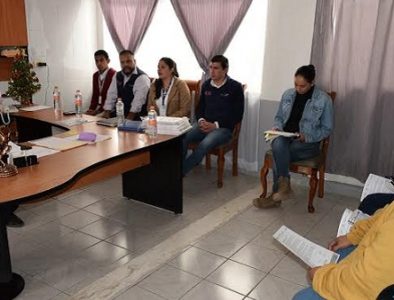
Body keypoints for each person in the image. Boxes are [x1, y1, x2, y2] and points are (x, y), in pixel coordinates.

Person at [253, 64, 333, 209]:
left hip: (307, 144)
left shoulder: (324, 100)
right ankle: (284, 188)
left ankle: (275, 197)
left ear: (311, 83)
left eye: (302, 86)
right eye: (295, 84)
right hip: (285, 138)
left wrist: (307, 136)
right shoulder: (288, 95)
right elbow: (278, 117)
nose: (298, 89)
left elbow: (326, 129)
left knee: (279, 152)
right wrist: (277, 128)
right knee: (278, 144)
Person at [293, 201, 394, 300]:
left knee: (301, 298)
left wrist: (320, 277)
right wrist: (352, 236)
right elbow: (381, 217)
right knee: (336, 254)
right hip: (374, 275)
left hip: (373, 289)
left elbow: (365, 281)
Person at [182, 55, 244, 176]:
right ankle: (176, 168)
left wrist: (215, 125)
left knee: (204, 145)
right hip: (204, 125)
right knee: (183, 137)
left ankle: (180, 172)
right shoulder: (206, 85)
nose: (212, 71)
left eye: (216, 68)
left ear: (225, 70)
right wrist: (200, 120)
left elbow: (237, 115)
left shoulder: (235, 87)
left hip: (223, 129)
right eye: (210, 67)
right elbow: (200, 108)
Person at [103, 50, 150, 120]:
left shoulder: (142, 78)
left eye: (128, 61)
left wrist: (126, 122)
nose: (125, 65)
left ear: (134, 61)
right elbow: (111, 95)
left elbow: (137, 103)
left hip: (135, 118)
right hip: (119, 116)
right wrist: (106, 116)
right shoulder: (117, 75)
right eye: (122, 62)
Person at [86, 50, 116, 116]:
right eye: (96, 61)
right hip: (98, 109)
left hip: (109, 110)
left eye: (101, 60)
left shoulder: (114, 74)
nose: (99, 63)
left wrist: (97, 111)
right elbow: (95, 95)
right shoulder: (95, 75)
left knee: (95, 120)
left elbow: (112, 98)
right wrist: (91, 109)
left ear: (108, 61)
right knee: (85, 117)